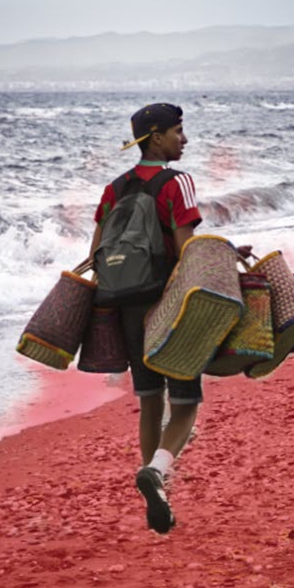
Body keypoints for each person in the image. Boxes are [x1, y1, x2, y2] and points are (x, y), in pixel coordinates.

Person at [89, 102, 202, 535]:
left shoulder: (114, 187)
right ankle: (156, 473)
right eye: (178, 132)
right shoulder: (179, 183)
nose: (184, 140)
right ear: (156, 137)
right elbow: (188, 252)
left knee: (150, 400)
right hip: (167, 306)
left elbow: (96, 252)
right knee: (187, 404)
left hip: (126, 306)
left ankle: (156, 489)